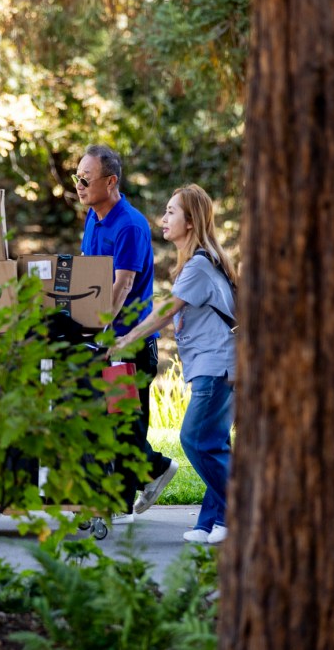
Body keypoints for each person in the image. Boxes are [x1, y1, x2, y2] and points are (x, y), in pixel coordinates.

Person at [110, 184, 236, 544]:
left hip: (218, 366)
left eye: (170, 212)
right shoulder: (201, 262)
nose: (162, 219)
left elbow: (165, 312)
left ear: (191, 221)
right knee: (214, 442)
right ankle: (211, 522)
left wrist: (126, 339)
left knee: (195, 439)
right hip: (217, 364)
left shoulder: (198, 265)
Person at [75, 144, 178, 524]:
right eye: (77, 177)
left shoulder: (129, 224)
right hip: (105, 339)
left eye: (86, 178)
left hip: (127, 342)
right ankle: (120, 500)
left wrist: (98, 330)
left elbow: (121, 285)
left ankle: (158, 468)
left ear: (111, 180)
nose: (79, 184)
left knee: (123, 421)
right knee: (114, 419)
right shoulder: (93, 218)